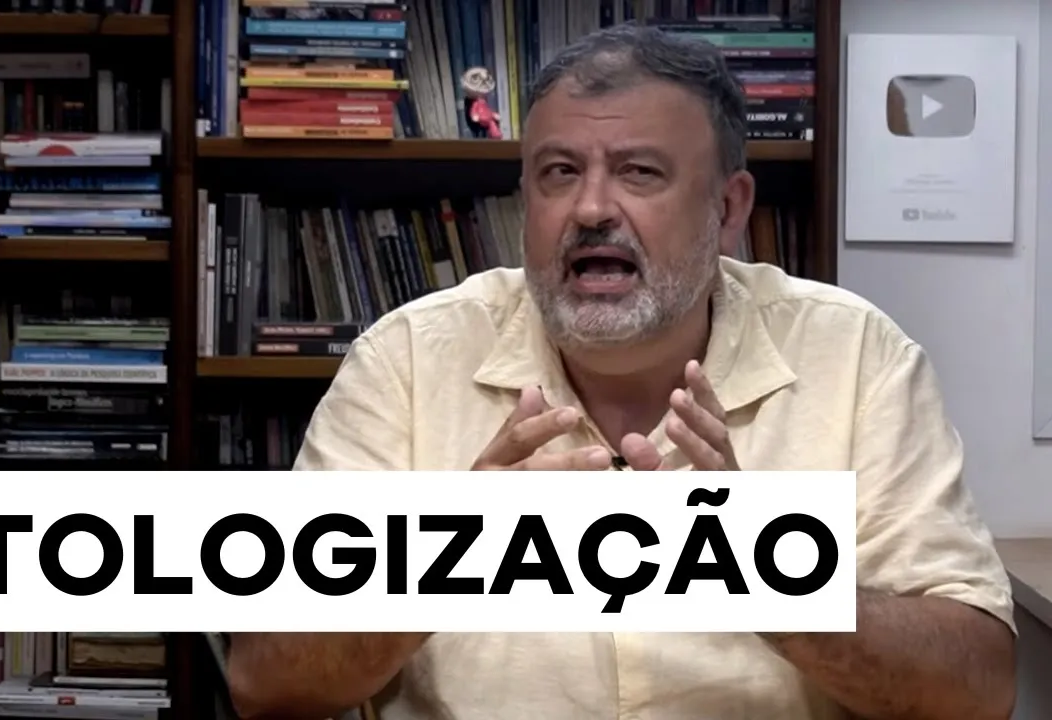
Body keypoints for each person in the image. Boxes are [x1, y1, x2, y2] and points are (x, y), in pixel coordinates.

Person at [226, 23, 1018, 720]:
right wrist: (443, 552)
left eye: (639, 172)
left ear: (728, 207)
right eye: (559, 173)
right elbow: (264, 682)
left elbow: (977, 691)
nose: (591, 209)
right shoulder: (405, 359)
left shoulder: (858, 358)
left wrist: (776, 575)